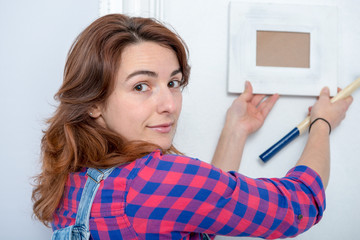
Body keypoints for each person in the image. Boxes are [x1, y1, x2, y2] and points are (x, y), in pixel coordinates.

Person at [32, 14, 353, 240]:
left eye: (173, 82)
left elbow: (196, 215)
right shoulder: (161, 179)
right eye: (141, 86)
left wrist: (234, 130)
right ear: (94, 102)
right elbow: (296, 207)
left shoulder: (72, 179)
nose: (169, 104)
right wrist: (322, 122)